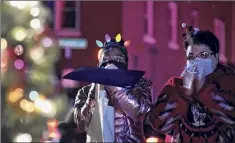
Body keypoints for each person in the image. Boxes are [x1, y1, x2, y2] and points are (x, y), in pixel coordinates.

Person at [144, 24, 235, 143]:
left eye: (203, 55)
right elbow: (158, 123)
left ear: (216, 57)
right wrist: (185, 93)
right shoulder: (175, 86)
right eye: (191, 57)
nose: (197, 62)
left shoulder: (229, 83)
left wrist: (205, 91)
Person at [73, 34, 152, 142]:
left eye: (118, 58)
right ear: (99, 63)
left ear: (125, 63)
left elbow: (141, 112)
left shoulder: (138, 84)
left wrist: (116, 87)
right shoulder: (86, 91)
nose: (111, 63)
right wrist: (94, 92)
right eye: (106, 59)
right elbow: (82, 123)